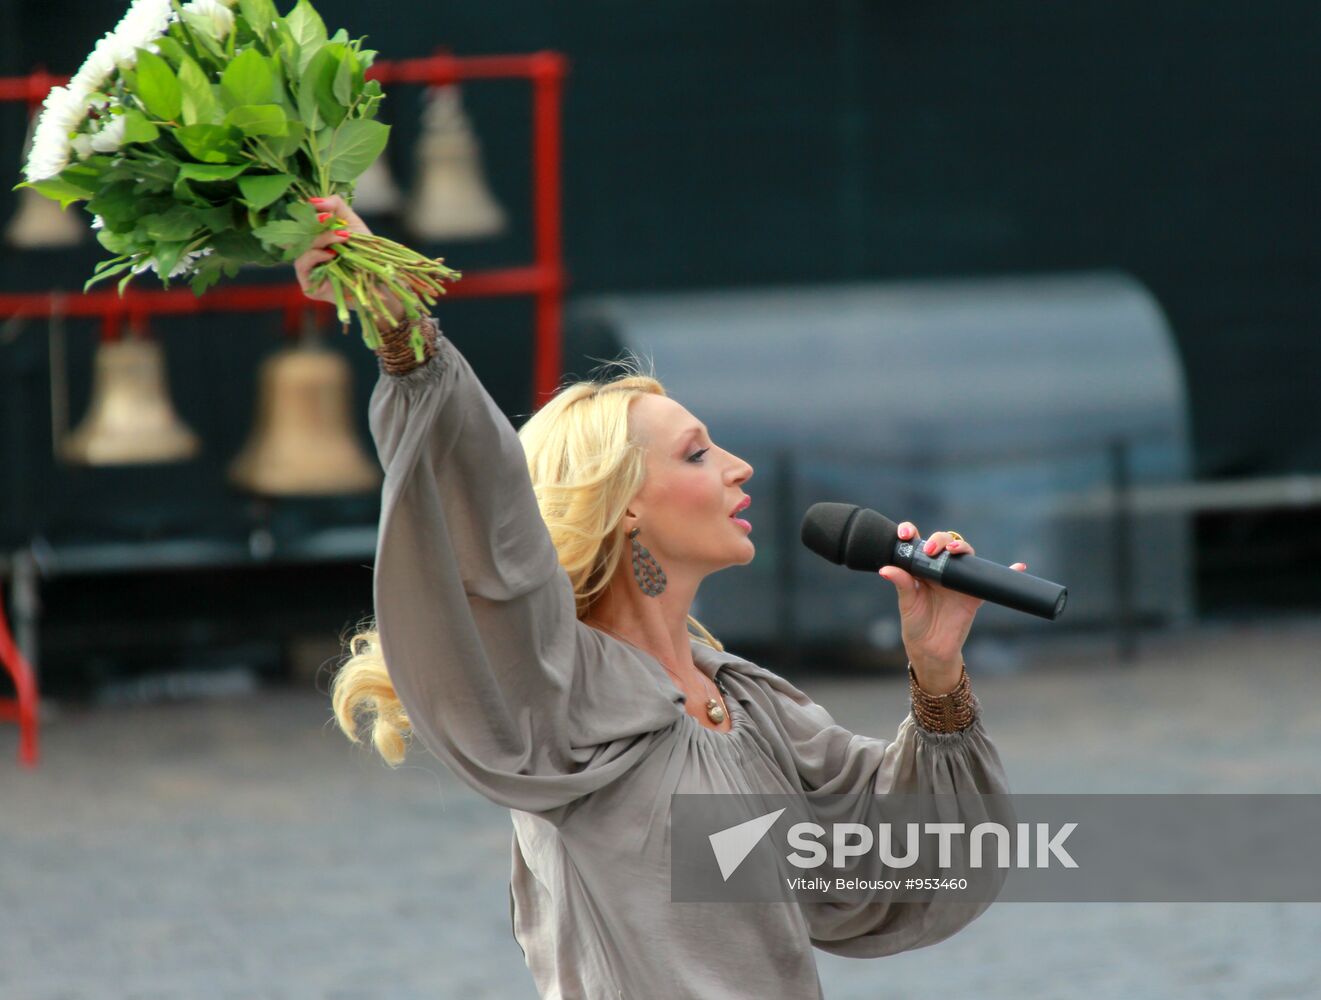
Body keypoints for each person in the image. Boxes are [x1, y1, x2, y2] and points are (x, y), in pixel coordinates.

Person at [296, 195, 1028, 999]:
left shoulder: (750, 707)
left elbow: (920, 859)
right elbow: (489, 534)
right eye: (696, 453)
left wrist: (936, 673)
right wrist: (405, 337)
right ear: (624, 502)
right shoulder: (557, 695)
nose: (737, 466)